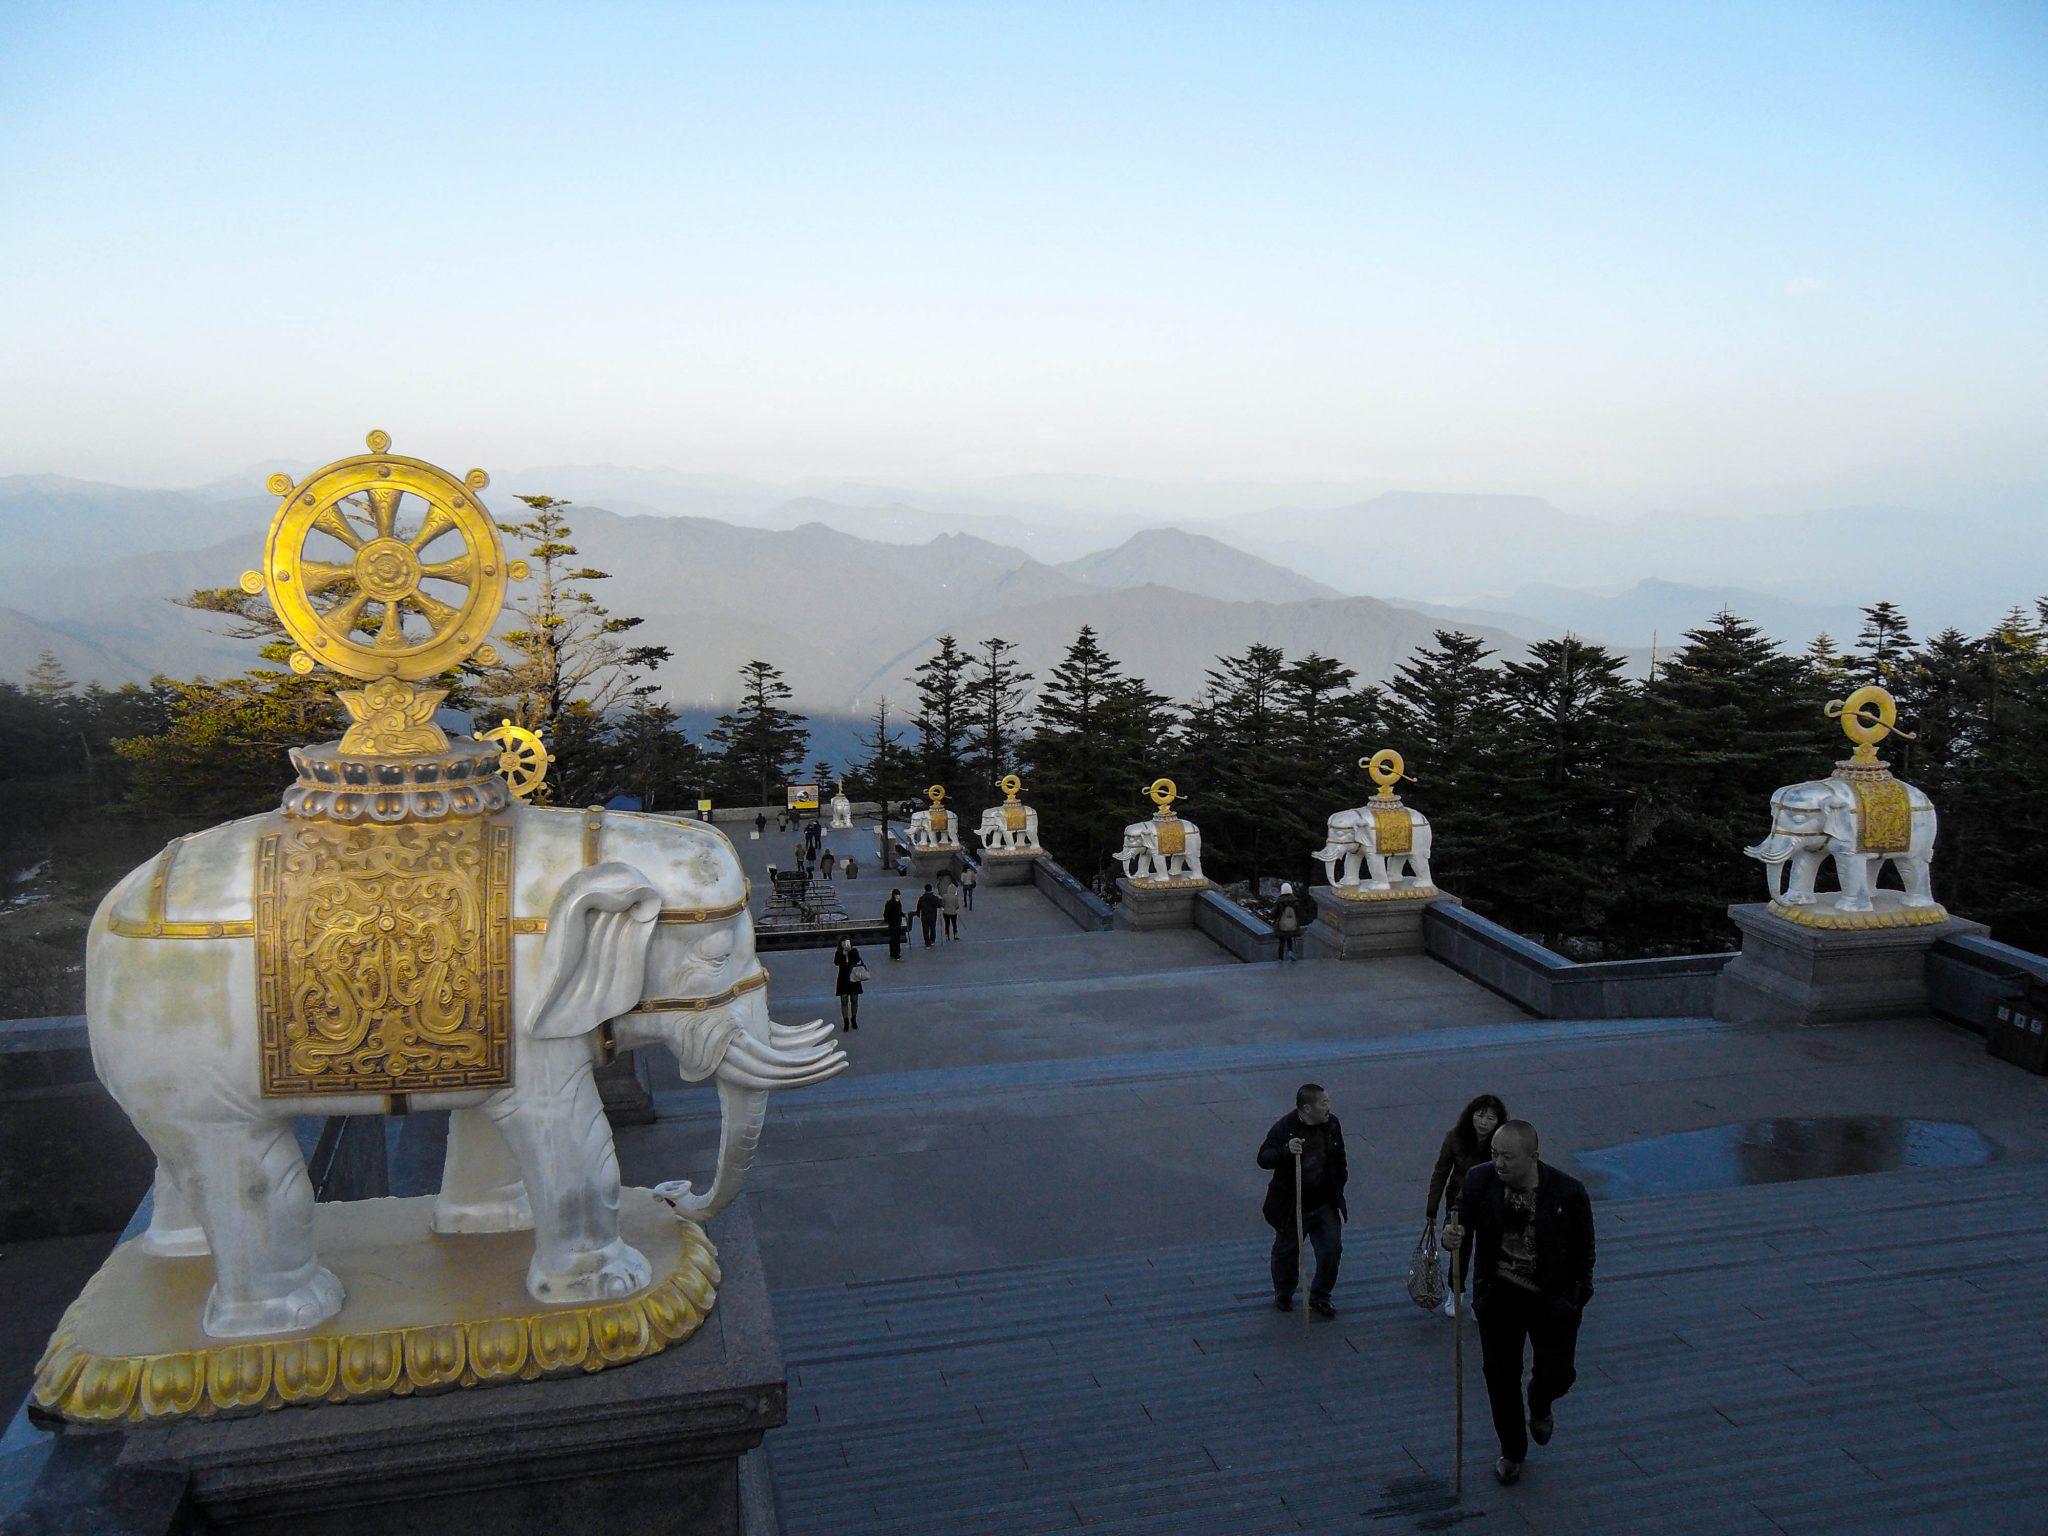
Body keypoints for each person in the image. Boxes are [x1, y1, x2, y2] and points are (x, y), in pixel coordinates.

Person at [1442, 1120, 1595, 1488]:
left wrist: (1576, 1298)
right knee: (1499, 1377)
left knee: (1558, 1375)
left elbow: (1583, 1252)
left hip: (1551, 1300)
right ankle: (1512, 1450)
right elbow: (1459, 1217)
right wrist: (1453, 1236)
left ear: (1534, 1157)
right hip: (1500, 1298)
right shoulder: (1481, 1181)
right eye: (1494, 1154)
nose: (1499, 1163)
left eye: (1508, 1157)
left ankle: (1541, 1403)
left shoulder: (1567, 1193)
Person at [1256, 1084, 1348, 1317]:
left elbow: (1340, 1158)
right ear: (1307, 1108)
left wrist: (1339, 1182)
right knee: (1286, 1252)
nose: (1329, 1106)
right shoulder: (1286, 1127)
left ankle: (1320, 1296)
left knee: (1331, 1250)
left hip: (1325, 1203)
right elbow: (1264, 1158)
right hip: (1292, 1206)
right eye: (1324, 1102)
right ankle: (1284, 1292)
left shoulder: (1332, 1124)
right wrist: (1286, 1150)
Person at [1426, 1093, 1509, 1317]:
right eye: (1480, 1116)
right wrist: (1432, 1206)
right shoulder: (1455, 1137)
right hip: (1459, 1202)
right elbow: (1441, 1171)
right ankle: (1456, 1293)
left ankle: (1482, 1298)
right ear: (1470, 1115)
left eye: (1491, 1118)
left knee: (1488, 1250)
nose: (1484, 1123)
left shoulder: (1502, 1142)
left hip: (1491, 1204)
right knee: (1459, 1248)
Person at [833, 936, 864, 1030]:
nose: (845, 944)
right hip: (843, 979)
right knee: (844, 1001)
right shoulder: (838, 953)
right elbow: (836, 963)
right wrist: (843, 954)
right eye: (843, 942)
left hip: (853, 977)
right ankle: (846, 1021)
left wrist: (850, 952)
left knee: (854, 1000)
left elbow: (857, 960)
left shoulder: (854, 951)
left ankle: (853, 1019)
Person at [1272, 882, 1306, 961]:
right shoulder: (1296, 901)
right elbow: (1300, 913)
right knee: (1289, 940)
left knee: (1281, 942)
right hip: (1292, 925)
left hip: (1281, 925)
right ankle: (1290, 952)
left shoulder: (1278, 901)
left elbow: (1273, 913)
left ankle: (1280, 958)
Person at [883, 888, 906, 960]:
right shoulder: (890, 903)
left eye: (899, 895)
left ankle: (893, 953)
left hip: (897, 922)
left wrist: (903, 915)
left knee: (894, 938)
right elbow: (886, 913)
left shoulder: (898, 902)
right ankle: (896, 953)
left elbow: (899, 911)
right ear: (894, 895)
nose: (898, 896)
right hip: (893, 923)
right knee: (895, 938)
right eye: (897, 895)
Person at [915, 883, 940, 947]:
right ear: (931, 889)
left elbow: (918, 907)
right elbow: (939, 905)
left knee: (925, 930)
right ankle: (932, 940)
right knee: (932, 928)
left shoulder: (922, 898)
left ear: (925, 890)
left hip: (924, 916)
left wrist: (918, 913)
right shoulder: (935, 898)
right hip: (933, 916)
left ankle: (927, 942)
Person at [939, 872, 962, 940]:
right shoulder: (955, 897)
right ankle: (955, 934)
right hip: (953, 913)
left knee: (947, 924)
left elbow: (942, 904)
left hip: (946, 913)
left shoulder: (945, 896)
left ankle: (947, 935)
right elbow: (957, 906)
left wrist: (944, 907)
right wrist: (955, 908)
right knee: (954, 924)